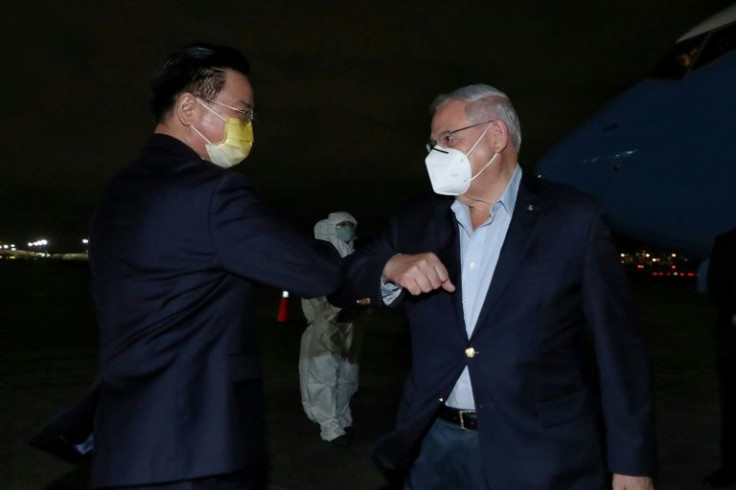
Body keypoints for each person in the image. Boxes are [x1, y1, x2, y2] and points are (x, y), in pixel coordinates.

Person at [337, 84, 656, 489]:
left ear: (497, 136)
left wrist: (631, 462)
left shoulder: (573, 220)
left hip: (540, 451)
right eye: (432, 143)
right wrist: (390, 266)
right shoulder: (415, 220)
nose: (435, 153)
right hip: (433, 445)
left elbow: (620, 352)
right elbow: (344, 280)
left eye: (448, 138)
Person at [86, 43, 341, 489]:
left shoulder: (118, 191)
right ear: (189, 108)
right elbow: (315, 273)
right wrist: (379, 263)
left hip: (126, 440)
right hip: (194, 450)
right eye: (242, 112)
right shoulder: (212, 193)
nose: (247, 126)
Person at [299, 211, 362, 445]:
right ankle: (329, 427)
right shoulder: (319, 259)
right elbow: (315, 293)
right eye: (342, 225)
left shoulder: (352, 258)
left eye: (351, 224)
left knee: (347, 375)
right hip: (324, 323)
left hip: (349, 323)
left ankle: (342, 419)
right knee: (322, 375)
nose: (348, 229)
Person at [704, 228, 736, 488]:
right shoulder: (725, 242)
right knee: (732, 407)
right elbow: (717, 285)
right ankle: (731, 468)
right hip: (733, 339)